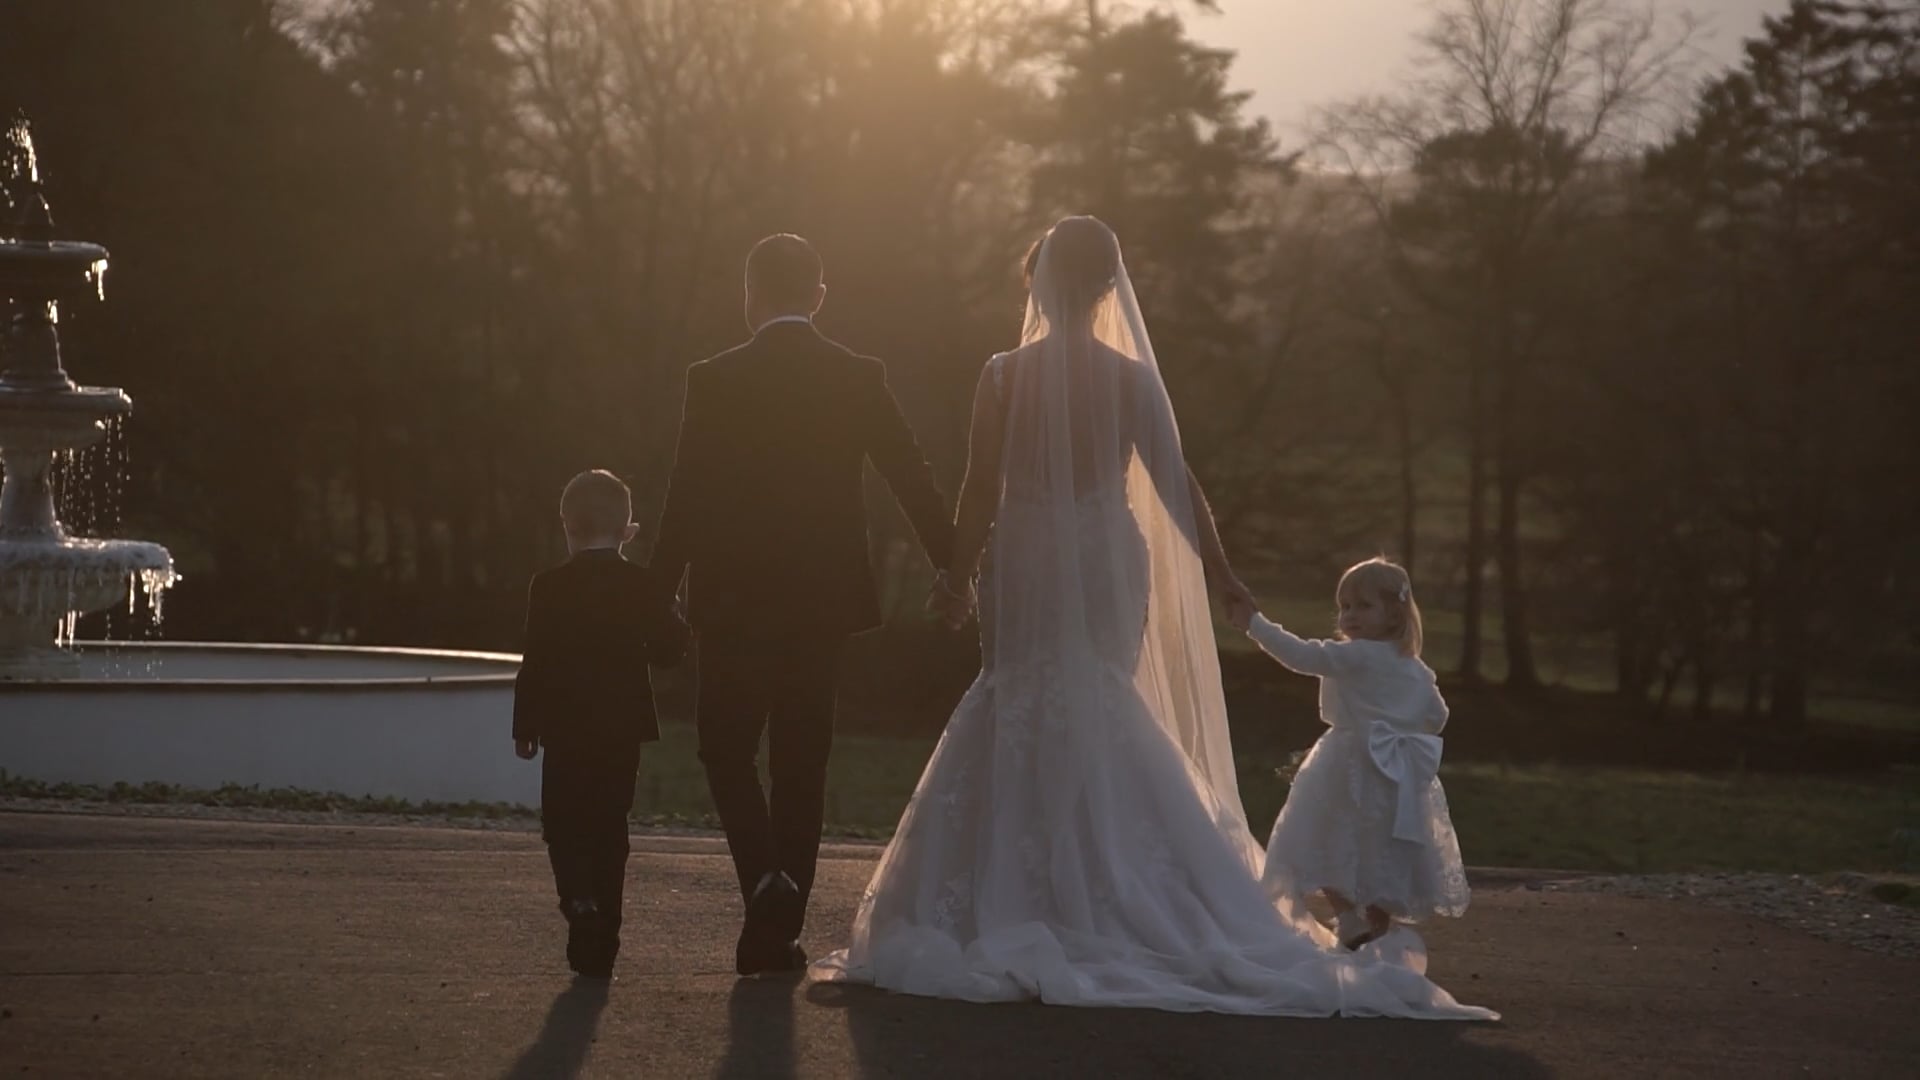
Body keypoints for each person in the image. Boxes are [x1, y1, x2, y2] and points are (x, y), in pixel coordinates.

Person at [811, 217, 1494, 1020]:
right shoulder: (1130, 380)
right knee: (1099, 695)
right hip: (1106, 547)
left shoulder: (1001, 374)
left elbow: (978, 488)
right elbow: (1177, 485)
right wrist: (1224, 573)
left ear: (1037, 282)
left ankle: (1020, 891)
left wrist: (956, 578)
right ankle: (1114, 885)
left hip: (1026, 549)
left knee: (1021, 691)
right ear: (1106, 288)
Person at [651, 233, 955, 976]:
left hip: (731, 597)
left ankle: (764, 883)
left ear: (749, 294)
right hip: (821, 599)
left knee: (724, 748)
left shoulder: (714, 378)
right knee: (802, 756)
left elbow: (685, 492)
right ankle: (777, 928)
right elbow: (907, 472)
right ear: (819, 298)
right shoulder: (857, 375)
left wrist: (656, 592)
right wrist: (956, 561)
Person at [1233, 556, 1470, 950]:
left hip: (1347, 759)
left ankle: (1347, 917)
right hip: (1396, 769)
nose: (1349, 615)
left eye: (1363, 606)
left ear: (1394, 612)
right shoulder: (1417, 668)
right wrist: (1399, 725)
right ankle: (1376, 930)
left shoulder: (1356, 655)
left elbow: (1301, 655)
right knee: (1380, 847)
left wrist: (1254, 624)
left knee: (1323, 835)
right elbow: (1437, 715)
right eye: (1344, 606)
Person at [513, 469, 689, 979]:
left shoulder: (547, 587)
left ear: (566, 524)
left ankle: (578, 901)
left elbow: (536, 660)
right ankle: (605, 932)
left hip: (565, 727)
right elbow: (667, 655)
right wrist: (674, 615)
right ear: (627, 531)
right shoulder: (643, 586)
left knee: (563, 821)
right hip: (621, 725)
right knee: (611, 825)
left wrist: (525, 724)